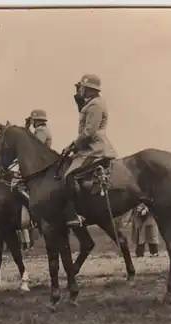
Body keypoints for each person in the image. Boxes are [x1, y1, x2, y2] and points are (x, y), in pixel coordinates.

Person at [62, 74, 118, 228]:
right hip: (89, 146)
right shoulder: (92, 103)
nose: (79, 89)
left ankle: (76, 215)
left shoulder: (95, 105)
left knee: (69, 175)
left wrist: (72, 146)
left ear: (88, 89)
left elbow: (89, 132)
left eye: (81, 87)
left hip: (95, 148)